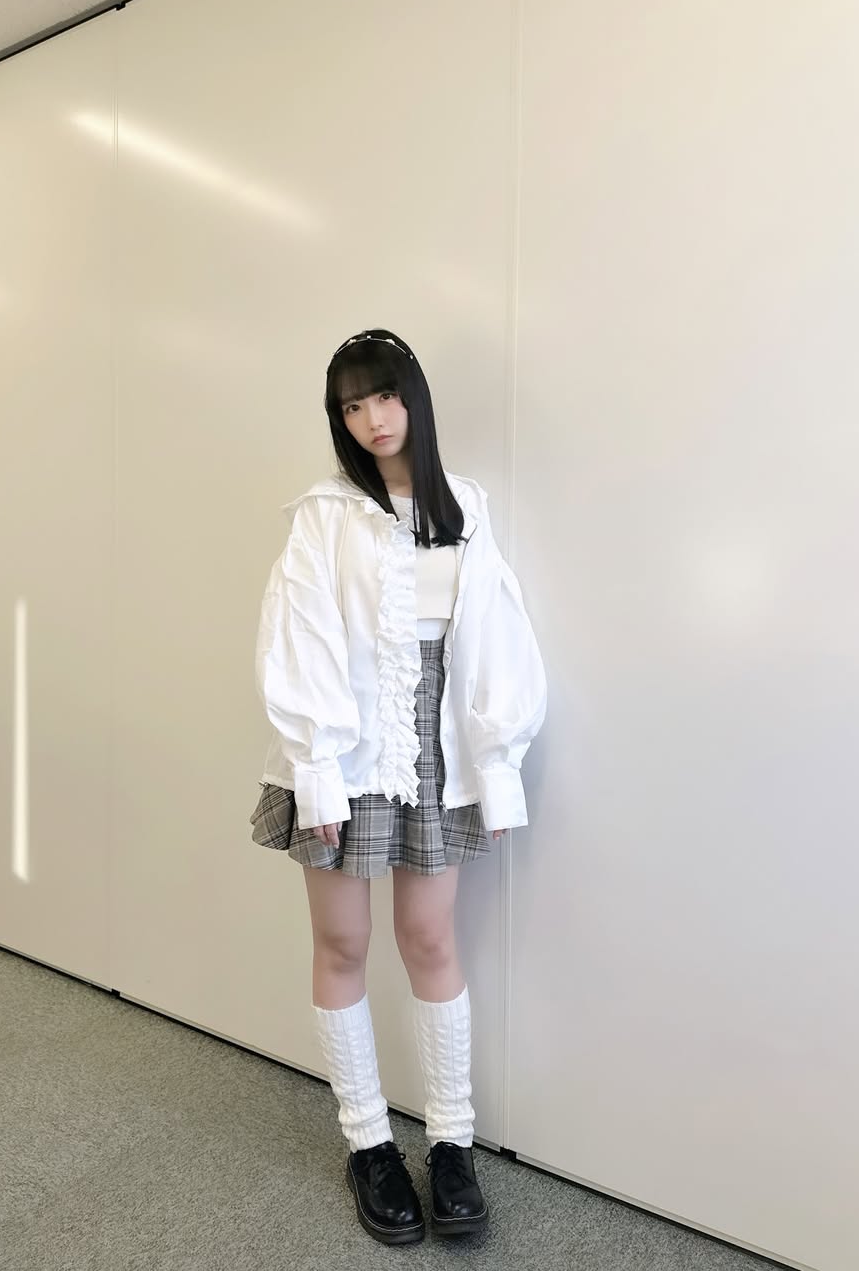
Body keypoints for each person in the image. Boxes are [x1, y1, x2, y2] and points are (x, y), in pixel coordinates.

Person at [250, 328, 547, 1245]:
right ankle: (369, 1142)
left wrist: (497, 766)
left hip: (436, 746)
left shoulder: (466, 505)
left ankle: (451, 1142)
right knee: (343, 940)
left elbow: (495, 638)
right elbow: (299, 635)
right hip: (343, 745)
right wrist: (316, 771)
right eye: (352, 405)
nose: (373, 419)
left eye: (384, 396)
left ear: (413, 397)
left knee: (429, 936)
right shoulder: (324, 513)